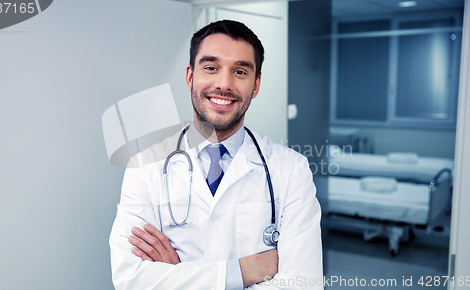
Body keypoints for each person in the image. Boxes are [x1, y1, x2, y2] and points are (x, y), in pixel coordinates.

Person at [109, 20, 323, 289]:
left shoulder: (292, 169)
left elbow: (304, 284)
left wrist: (179, 276)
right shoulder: (144, 167)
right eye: (211, 68)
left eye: (240, 72)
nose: (224, 84)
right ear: (190, 77)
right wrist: (244, 271)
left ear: (256, 85)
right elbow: (130, 279)